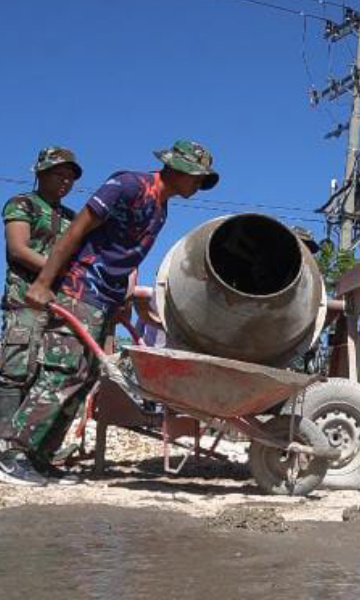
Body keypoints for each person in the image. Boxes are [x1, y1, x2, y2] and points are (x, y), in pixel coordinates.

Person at [0, 140, 219, 487]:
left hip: (104, 299)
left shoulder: (161, 209)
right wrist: (44, 282)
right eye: (197, 177)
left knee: (83, 377)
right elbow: (77, 230)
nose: (198, 185)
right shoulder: (129, 185)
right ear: (178, 169)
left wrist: (122, 302)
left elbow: (127, 259)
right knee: (61, 371)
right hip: (80, 288)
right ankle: (14, 453)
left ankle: (40, 457)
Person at [0, 148, 81, 430]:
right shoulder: (23, 204)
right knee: (18, 368)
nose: (66, 182)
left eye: (71, 177)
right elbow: (18, 249)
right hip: (25, 299)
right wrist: (61, 272)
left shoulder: (73, 217)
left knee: (53, 373)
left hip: (61, 305)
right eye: (60, 174)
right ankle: (4, 441)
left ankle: (31, 446)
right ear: (41, 173)